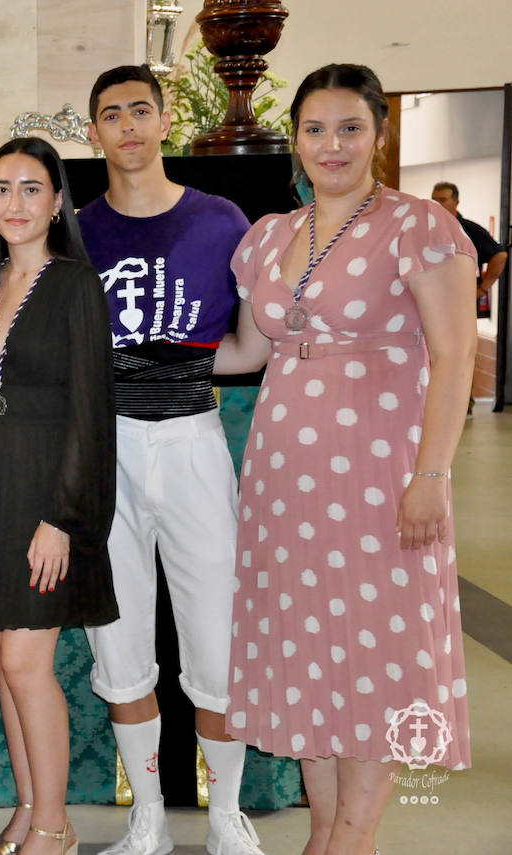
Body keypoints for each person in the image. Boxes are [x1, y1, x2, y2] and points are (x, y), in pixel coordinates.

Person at [215, 63, 476, 855]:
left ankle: (352, 840)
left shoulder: (417, 226)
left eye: (351, 128)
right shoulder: (270, 235)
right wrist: (126, 352)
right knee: (311, 661)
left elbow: (456, 355)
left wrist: (431, 474)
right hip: (284, 484)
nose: (332, 145)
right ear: (295, 139)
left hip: (380, 478)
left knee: (378, 654)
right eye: (316, 129)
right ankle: (324, 836)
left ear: (379, 135)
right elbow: (246, 351)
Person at [76, 65, 265, 855]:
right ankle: (147, 817)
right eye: (111, 114)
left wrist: (178, 367)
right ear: (94, 132)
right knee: (119, 642)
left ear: (163, 120)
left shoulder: (220, 220)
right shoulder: (76, 229)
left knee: (217, 639)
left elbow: (250, 348)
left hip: (192, 440)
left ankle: (225, 815)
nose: (127, 125)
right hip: (106, 447)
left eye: (139, 110)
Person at [0, 136, 117, 855]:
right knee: (4, 660)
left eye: (31, 188)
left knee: (24, 664)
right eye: (2, 188)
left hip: (47, 496)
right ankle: (27, 810)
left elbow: (90, 411)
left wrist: (62, 519)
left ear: (58, 201)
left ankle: (54, 825)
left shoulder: (75, 284)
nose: (14, 202)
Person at [430, 182, 505, 414]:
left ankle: (463, 405)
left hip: (460, 304)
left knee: (458, 352)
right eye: (434, 199)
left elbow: (500, 255)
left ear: (456, 202)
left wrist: (483, 288)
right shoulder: (426, 227)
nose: (437, 204)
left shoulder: (468, 229)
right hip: (431, 302)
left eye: (443, 199)